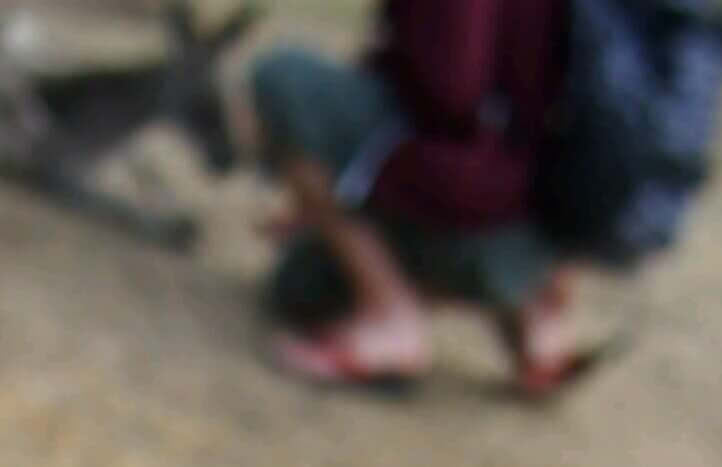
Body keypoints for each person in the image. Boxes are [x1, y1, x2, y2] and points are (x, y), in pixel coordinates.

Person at [248, 0, 593, 396]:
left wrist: (348, 183)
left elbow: (451, 88)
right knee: (301, 286)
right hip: (541, 240)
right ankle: (535, 319)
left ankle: (390, 316)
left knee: (283, 79)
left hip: (469, 210)